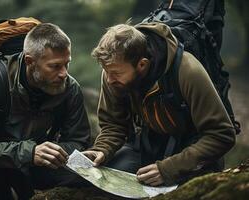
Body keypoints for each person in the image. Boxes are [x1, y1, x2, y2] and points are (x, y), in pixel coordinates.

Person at [0, 23, 91, 200]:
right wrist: (29, 152)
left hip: (36, 161)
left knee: (86, 176)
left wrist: (53, 152)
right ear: (30, 61)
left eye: (66, 64)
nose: (63, 74)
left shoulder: (69, 88)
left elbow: (79, 140)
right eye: (55, 66)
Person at [84, 22, 236, 186]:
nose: (108, 79)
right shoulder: (114, 70)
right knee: (104, 182)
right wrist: (101, 149)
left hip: (194, 152)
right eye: (106, 71)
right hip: (150, 146)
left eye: (115, 73)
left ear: (142, 64)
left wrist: (169, 169)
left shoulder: (187, 70)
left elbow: (221, 134)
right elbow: (114, 125)